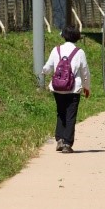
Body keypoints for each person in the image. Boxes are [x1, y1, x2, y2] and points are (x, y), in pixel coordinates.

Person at [42, 25, 91, 153]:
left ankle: (59, 140)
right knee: (71, 115)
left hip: (57, 88)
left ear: (63, 36)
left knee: (60, 112)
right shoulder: (79, 52)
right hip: (73, 88)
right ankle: (67, 144)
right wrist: (87, 87)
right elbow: (85, 72)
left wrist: (43, 72)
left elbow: (48, 67)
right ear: (77, 37)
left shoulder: (56, 50)